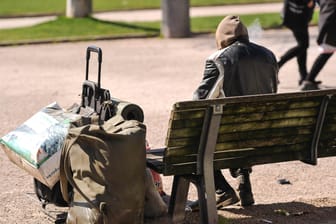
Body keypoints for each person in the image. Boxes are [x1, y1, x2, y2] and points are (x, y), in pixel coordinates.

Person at [191, 15, 279, 208]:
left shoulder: (219, 59)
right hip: (264, 132)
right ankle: (244, 181)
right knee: (239, 126)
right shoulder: (269, 55)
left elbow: (199, 101)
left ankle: (222, 190)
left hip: (232, 135)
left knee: (192, 138)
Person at [278, 0, 316, 85]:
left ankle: (304, 76)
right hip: (296, 19)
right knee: (303, 45)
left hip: (300, 18)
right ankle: (279, 63)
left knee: (302, 46)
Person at [300, 0, 336, 90]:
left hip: (327, 29)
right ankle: (308, 80)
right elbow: (329, 17)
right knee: (325, 54)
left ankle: (309, 80)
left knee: (326, 54)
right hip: (330, 31)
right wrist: (320, 36)